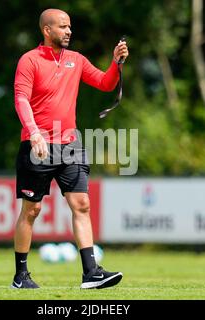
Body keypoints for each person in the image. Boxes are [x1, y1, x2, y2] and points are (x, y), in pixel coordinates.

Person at [11, 8, 129, 289]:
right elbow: (21, 99)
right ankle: (21, 276)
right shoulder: (29, 60)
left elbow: (104, 82)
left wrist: (115, 63)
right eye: (63, 27)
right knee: (32, 210)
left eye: (70, 27)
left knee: (82, 204)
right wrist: (35, 132)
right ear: (47, 30)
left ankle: (91, 272)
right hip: (37, 145)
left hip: (69, 144)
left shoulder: (76, 60)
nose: (69, 31)